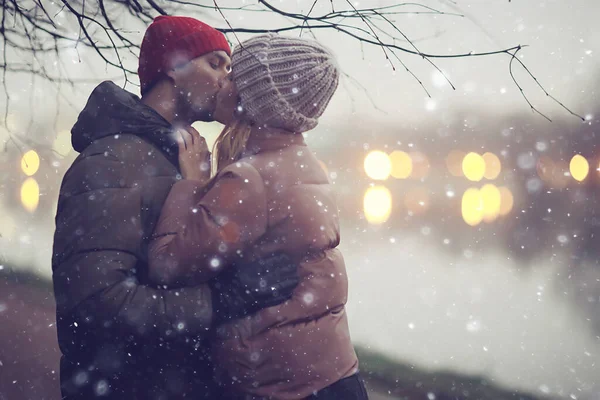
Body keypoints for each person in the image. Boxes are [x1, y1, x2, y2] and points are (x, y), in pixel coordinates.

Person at [51, 17, 299, 400]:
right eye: (215, 64)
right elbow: (95, 305)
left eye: (230, 69)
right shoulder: (115, 160)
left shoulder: (179, 158)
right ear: (173, 65)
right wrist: (222, 300)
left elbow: (175, 267)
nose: (226, 80)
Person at [147, 34, 368, 399]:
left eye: (234, 75)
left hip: (281, 386)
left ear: (252, 98)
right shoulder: (305, 164)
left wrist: (192, 185)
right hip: (334, 374)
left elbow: (166, 266)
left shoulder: (250, 179)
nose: (223, 81)